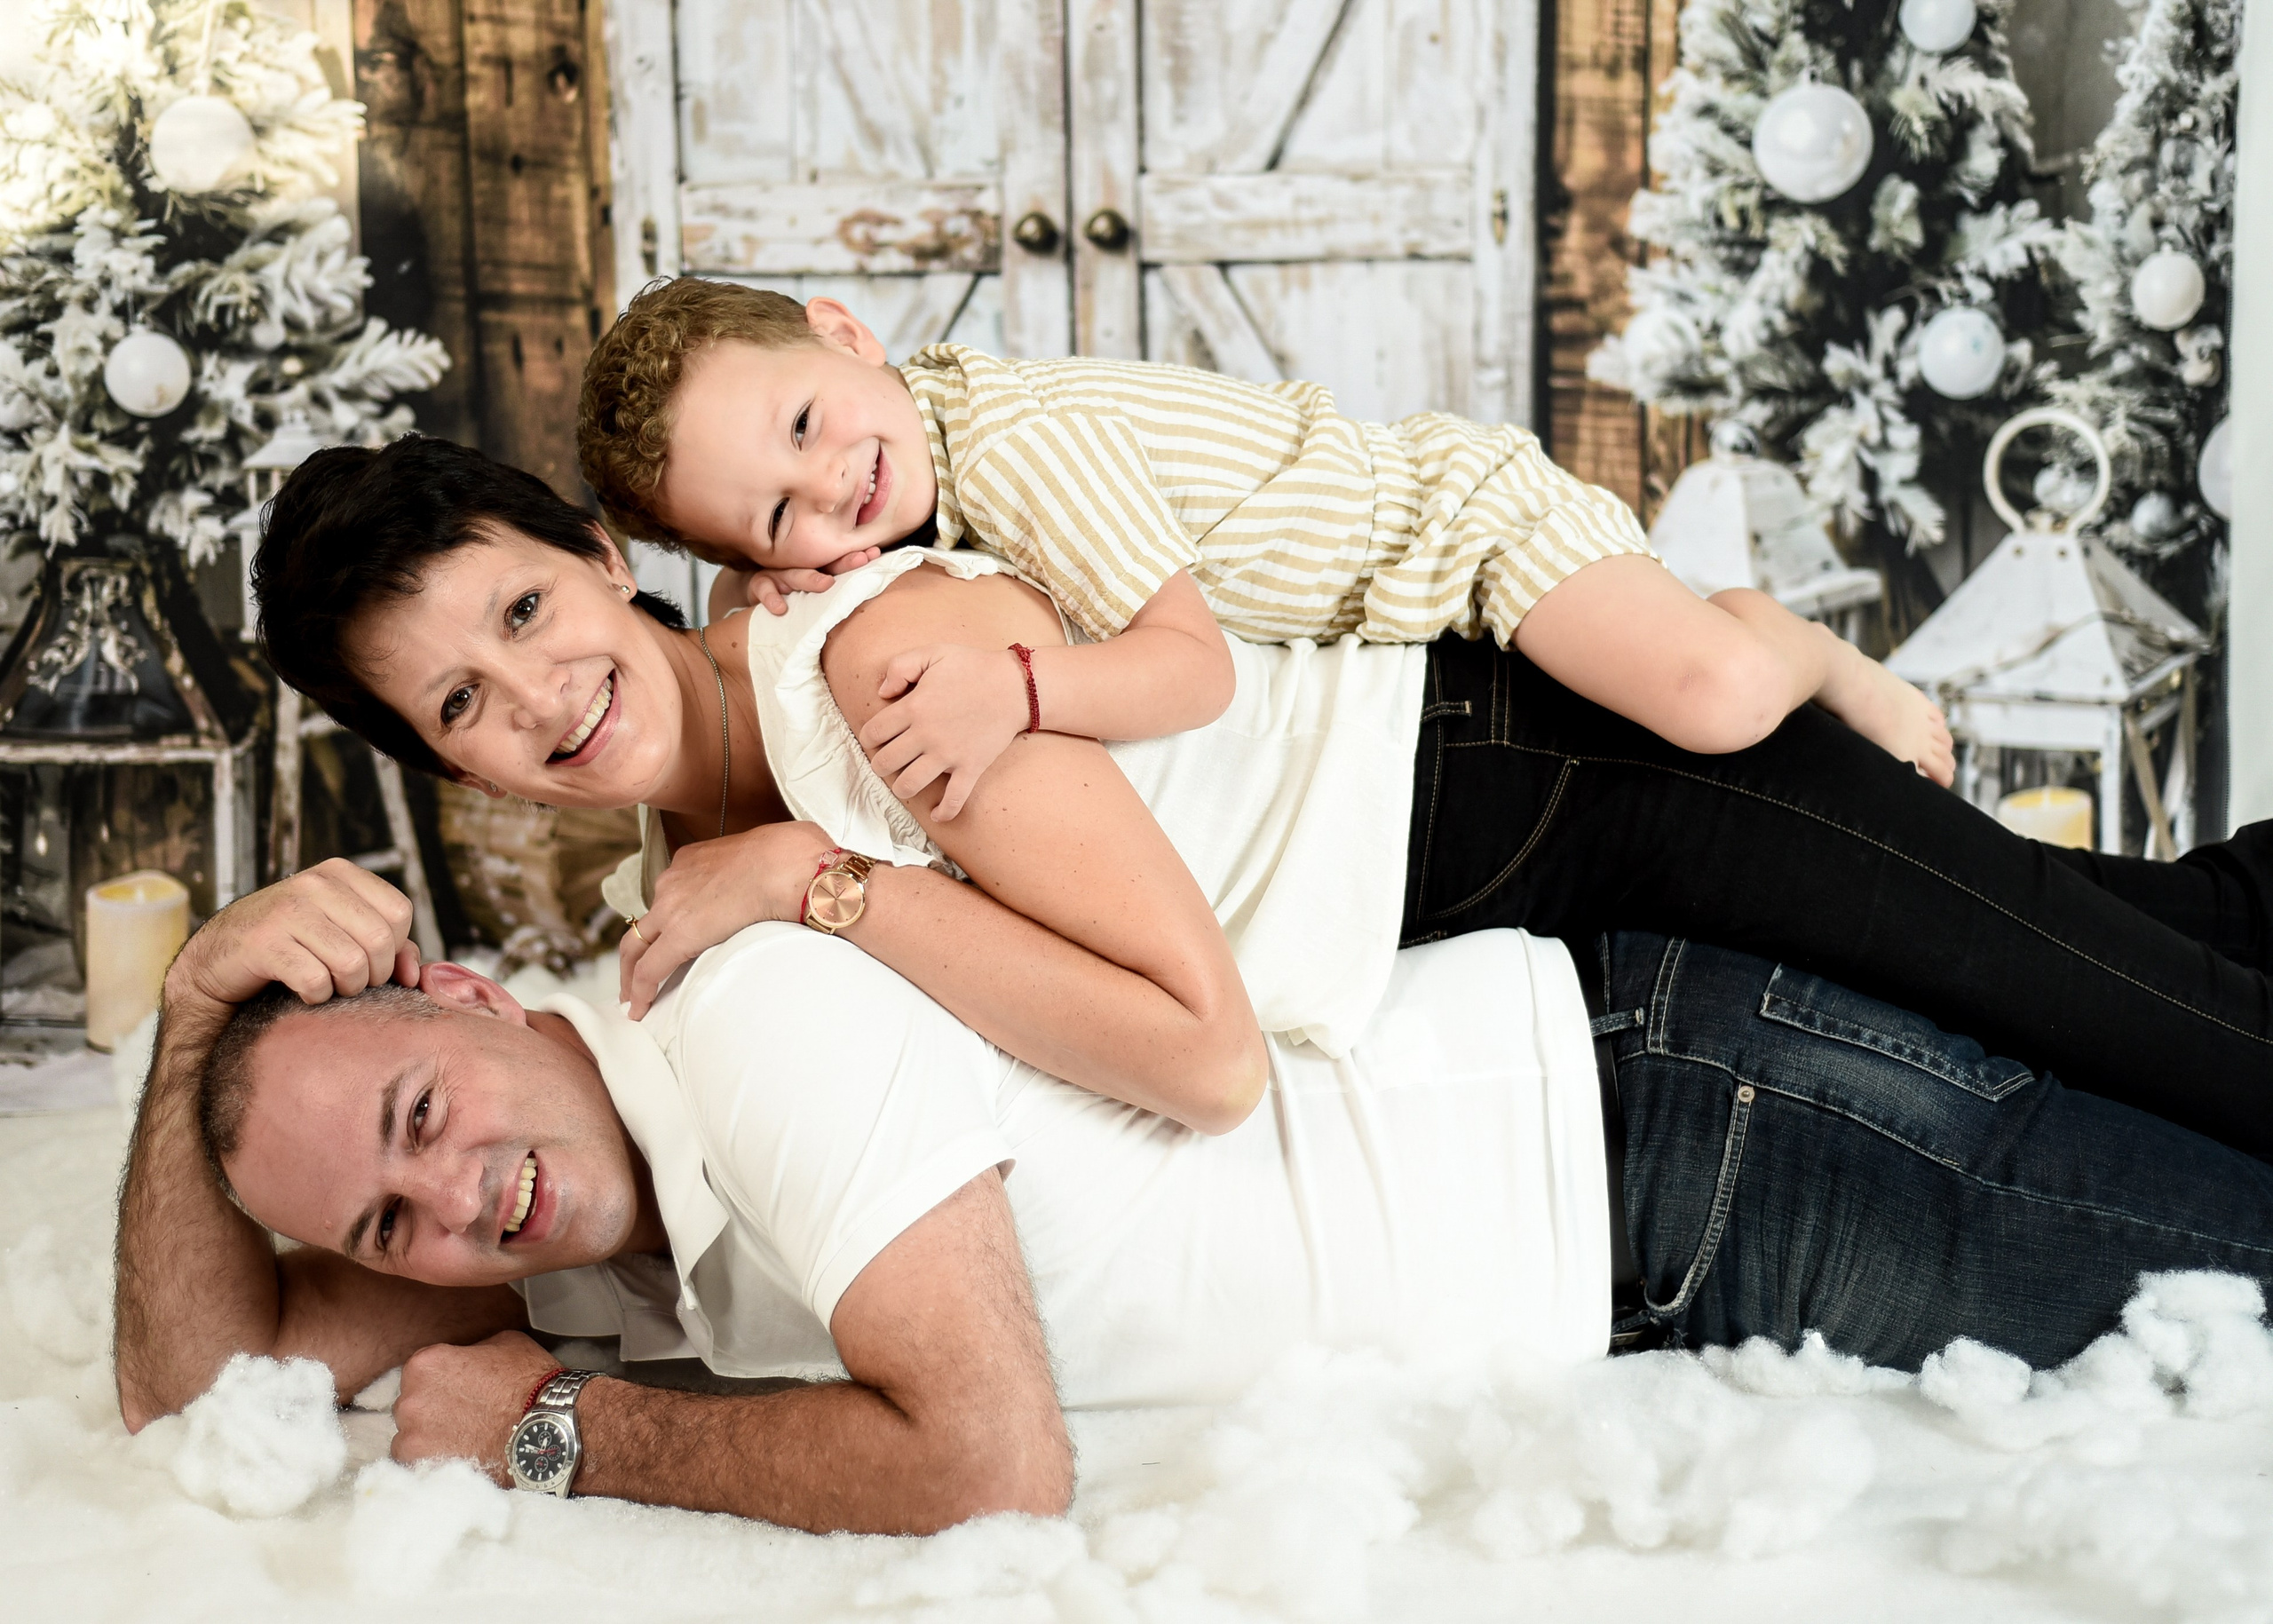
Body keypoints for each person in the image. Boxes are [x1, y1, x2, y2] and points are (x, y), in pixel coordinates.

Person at [253, 434, 2273, 1161]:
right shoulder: (723, 824)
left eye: (526, 607)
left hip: (1540, 771)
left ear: (602, 556)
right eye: (461, 700)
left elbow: (1197, 1058)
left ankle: (1752, 636)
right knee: (2152, 933)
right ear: (443, 764)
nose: (539, 693)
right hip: (1485, 880)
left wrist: (823, 886)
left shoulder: (860, 678)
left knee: (2140, 1022)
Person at [114, 864, 2273, 1535]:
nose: (450, 1207)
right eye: (384, 1226)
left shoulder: (744, 1025)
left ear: (473, 998)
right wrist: (201, 1000)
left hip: (1687, 1147)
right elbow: (196, 1392)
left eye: (414, 1114)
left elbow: (987, 1469)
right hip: (1640, 1233)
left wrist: (555, 1437)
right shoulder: (588, 1234)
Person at [576, 278, 1952, 824]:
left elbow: (1194, 673)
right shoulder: (900, 474)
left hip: (1452, 527)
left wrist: (1021, 692)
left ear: (845, 330)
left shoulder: (1012, 444)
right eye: (778, 512)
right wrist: (755, 580)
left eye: (809, 422)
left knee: (1709, 701)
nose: (833, 485)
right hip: (1385, 619)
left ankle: (1803, 644)